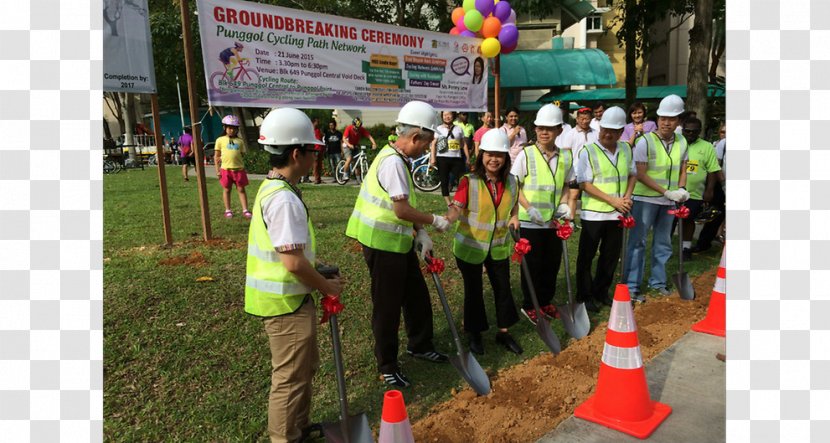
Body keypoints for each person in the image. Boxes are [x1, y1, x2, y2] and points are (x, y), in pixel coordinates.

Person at [245, 107, 344, 443]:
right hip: (284, 304)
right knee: (289, 378)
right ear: (297, 153)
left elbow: (292, 254)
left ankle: (298, 430)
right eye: (313, 150)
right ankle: (285, 438)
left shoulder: (274, 189)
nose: (316, 156)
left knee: (304, 370)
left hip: (291, 299)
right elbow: (292, 263)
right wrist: (326, 286)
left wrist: (316, 272)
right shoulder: (283, 199)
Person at [345, 101, 451, 388]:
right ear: (415, 137)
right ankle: (387, 364)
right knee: (387, 306)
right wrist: (434, 220)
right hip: (382, 243)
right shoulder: (392, 162)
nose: (426, 150)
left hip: (399, 241)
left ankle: (419, 344)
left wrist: (420, 233)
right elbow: (401, 210)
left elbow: (406, 206)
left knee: (416, 295)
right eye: (427, 144)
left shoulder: (397, 156)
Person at [445, 129, 523, 355]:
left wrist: (515, 216)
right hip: (471, 248)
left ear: (506, 157)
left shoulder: (512, 181)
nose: (494, 159)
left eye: (499, 154)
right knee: (474, 291)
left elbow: (514, 205)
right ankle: (475, 334)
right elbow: (456, 207)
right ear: (482, 155)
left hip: (498, 247)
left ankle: (504, 332)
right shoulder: (468, 181)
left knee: (503, 289)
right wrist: (447, 220)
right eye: (489, 154)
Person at [510, 104, 578, 323]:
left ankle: (545, 300)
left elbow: (568, 184)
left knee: (552, 263)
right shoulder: (526, 154)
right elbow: (514, 185)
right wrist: (528, 207)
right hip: (530, 221)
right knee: (533, 265)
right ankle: (530, 305)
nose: (544, 132)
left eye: (549, 128)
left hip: (552, 222)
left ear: (559, 130)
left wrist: (567, 206)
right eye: (540, 128)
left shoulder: (566, 157)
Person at [623, 94, 690, 302]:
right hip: (645, 200)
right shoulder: (645, 142)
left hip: (669, 201)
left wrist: (681, 189)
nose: (666, 122)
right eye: (662, 118)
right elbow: (640, 174)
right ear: (657, 118)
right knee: (638, 243)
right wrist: (666, 192)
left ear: (678, 120)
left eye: (671, 119)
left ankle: (657, 282)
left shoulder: (682, 141)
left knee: (663, 243)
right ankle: (632, 286)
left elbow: (683, 168)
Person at [575, 106, 637, 313]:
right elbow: (584, 183)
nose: (607, 134)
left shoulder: (626, 149)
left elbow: (632, 174)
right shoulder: (588, 151)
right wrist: (613, 200)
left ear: (621, 132)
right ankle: (584, 295)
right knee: (587, 255)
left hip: (617, 214)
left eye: (613, 131)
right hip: (594, 214)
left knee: (610, 256)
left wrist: (627, 196)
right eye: (604, 129)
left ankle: (601, 290)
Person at [676, 117, 724, 260]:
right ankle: (664, 247)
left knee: (688, 220)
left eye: (694, 132)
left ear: (699, 131)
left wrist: (709, 190)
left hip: (694, 193)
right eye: (687, 131)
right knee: (670, 220)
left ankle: (686, 248)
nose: (690, 134)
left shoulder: (707, 146)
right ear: (683, 130)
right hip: (673, 190)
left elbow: (712, 170)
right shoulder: (676, 143)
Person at [693, 124, 727, 253]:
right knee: (715, 216)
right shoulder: (723, 144)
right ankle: (703, 244)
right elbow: (715, 165)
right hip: (723, 186)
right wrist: (722, 185)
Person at [214, 114, 251, 219]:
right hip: (226, 170)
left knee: (241, 189)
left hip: (239, 170)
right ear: (224, 128)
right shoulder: (220, 140)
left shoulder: (240, 141)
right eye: (230, 128)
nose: (232, 130)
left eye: (234, 128)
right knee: (226, 189)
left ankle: (245, 210)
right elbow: (216, 157)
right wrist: (217, 171)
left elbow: (242, 154)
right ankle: (228, 210)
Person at [431, 110, 471, 206]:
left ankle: (459, 199)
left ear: (453, 116)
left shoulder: (459, 128)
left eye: (448, 115)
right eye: (444, 115)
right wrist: (433, 158)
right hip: (442, 158)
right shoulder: (438, 128)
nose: (446, 117)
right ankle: (449, 203)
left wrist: (468, 157)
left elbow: (463, 144)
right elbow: (433, 143)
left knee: (462, 180)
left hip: (456, 158)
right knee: (444, 181)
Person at [341, 117, 377, 182]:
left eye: (359, 127)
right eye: (356, 127)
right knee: (349, 159)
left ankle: (358, 179)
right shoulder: (349, 128)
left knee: (357, 163)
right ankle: (345, 174)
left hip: (355, 145)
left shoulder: (361, 129)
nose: (357, 129)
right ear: (353, 125)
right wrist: (349, 145)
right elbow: (344, 139)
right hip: (347, 145)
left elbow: (369, 136)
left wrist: (374, 144)